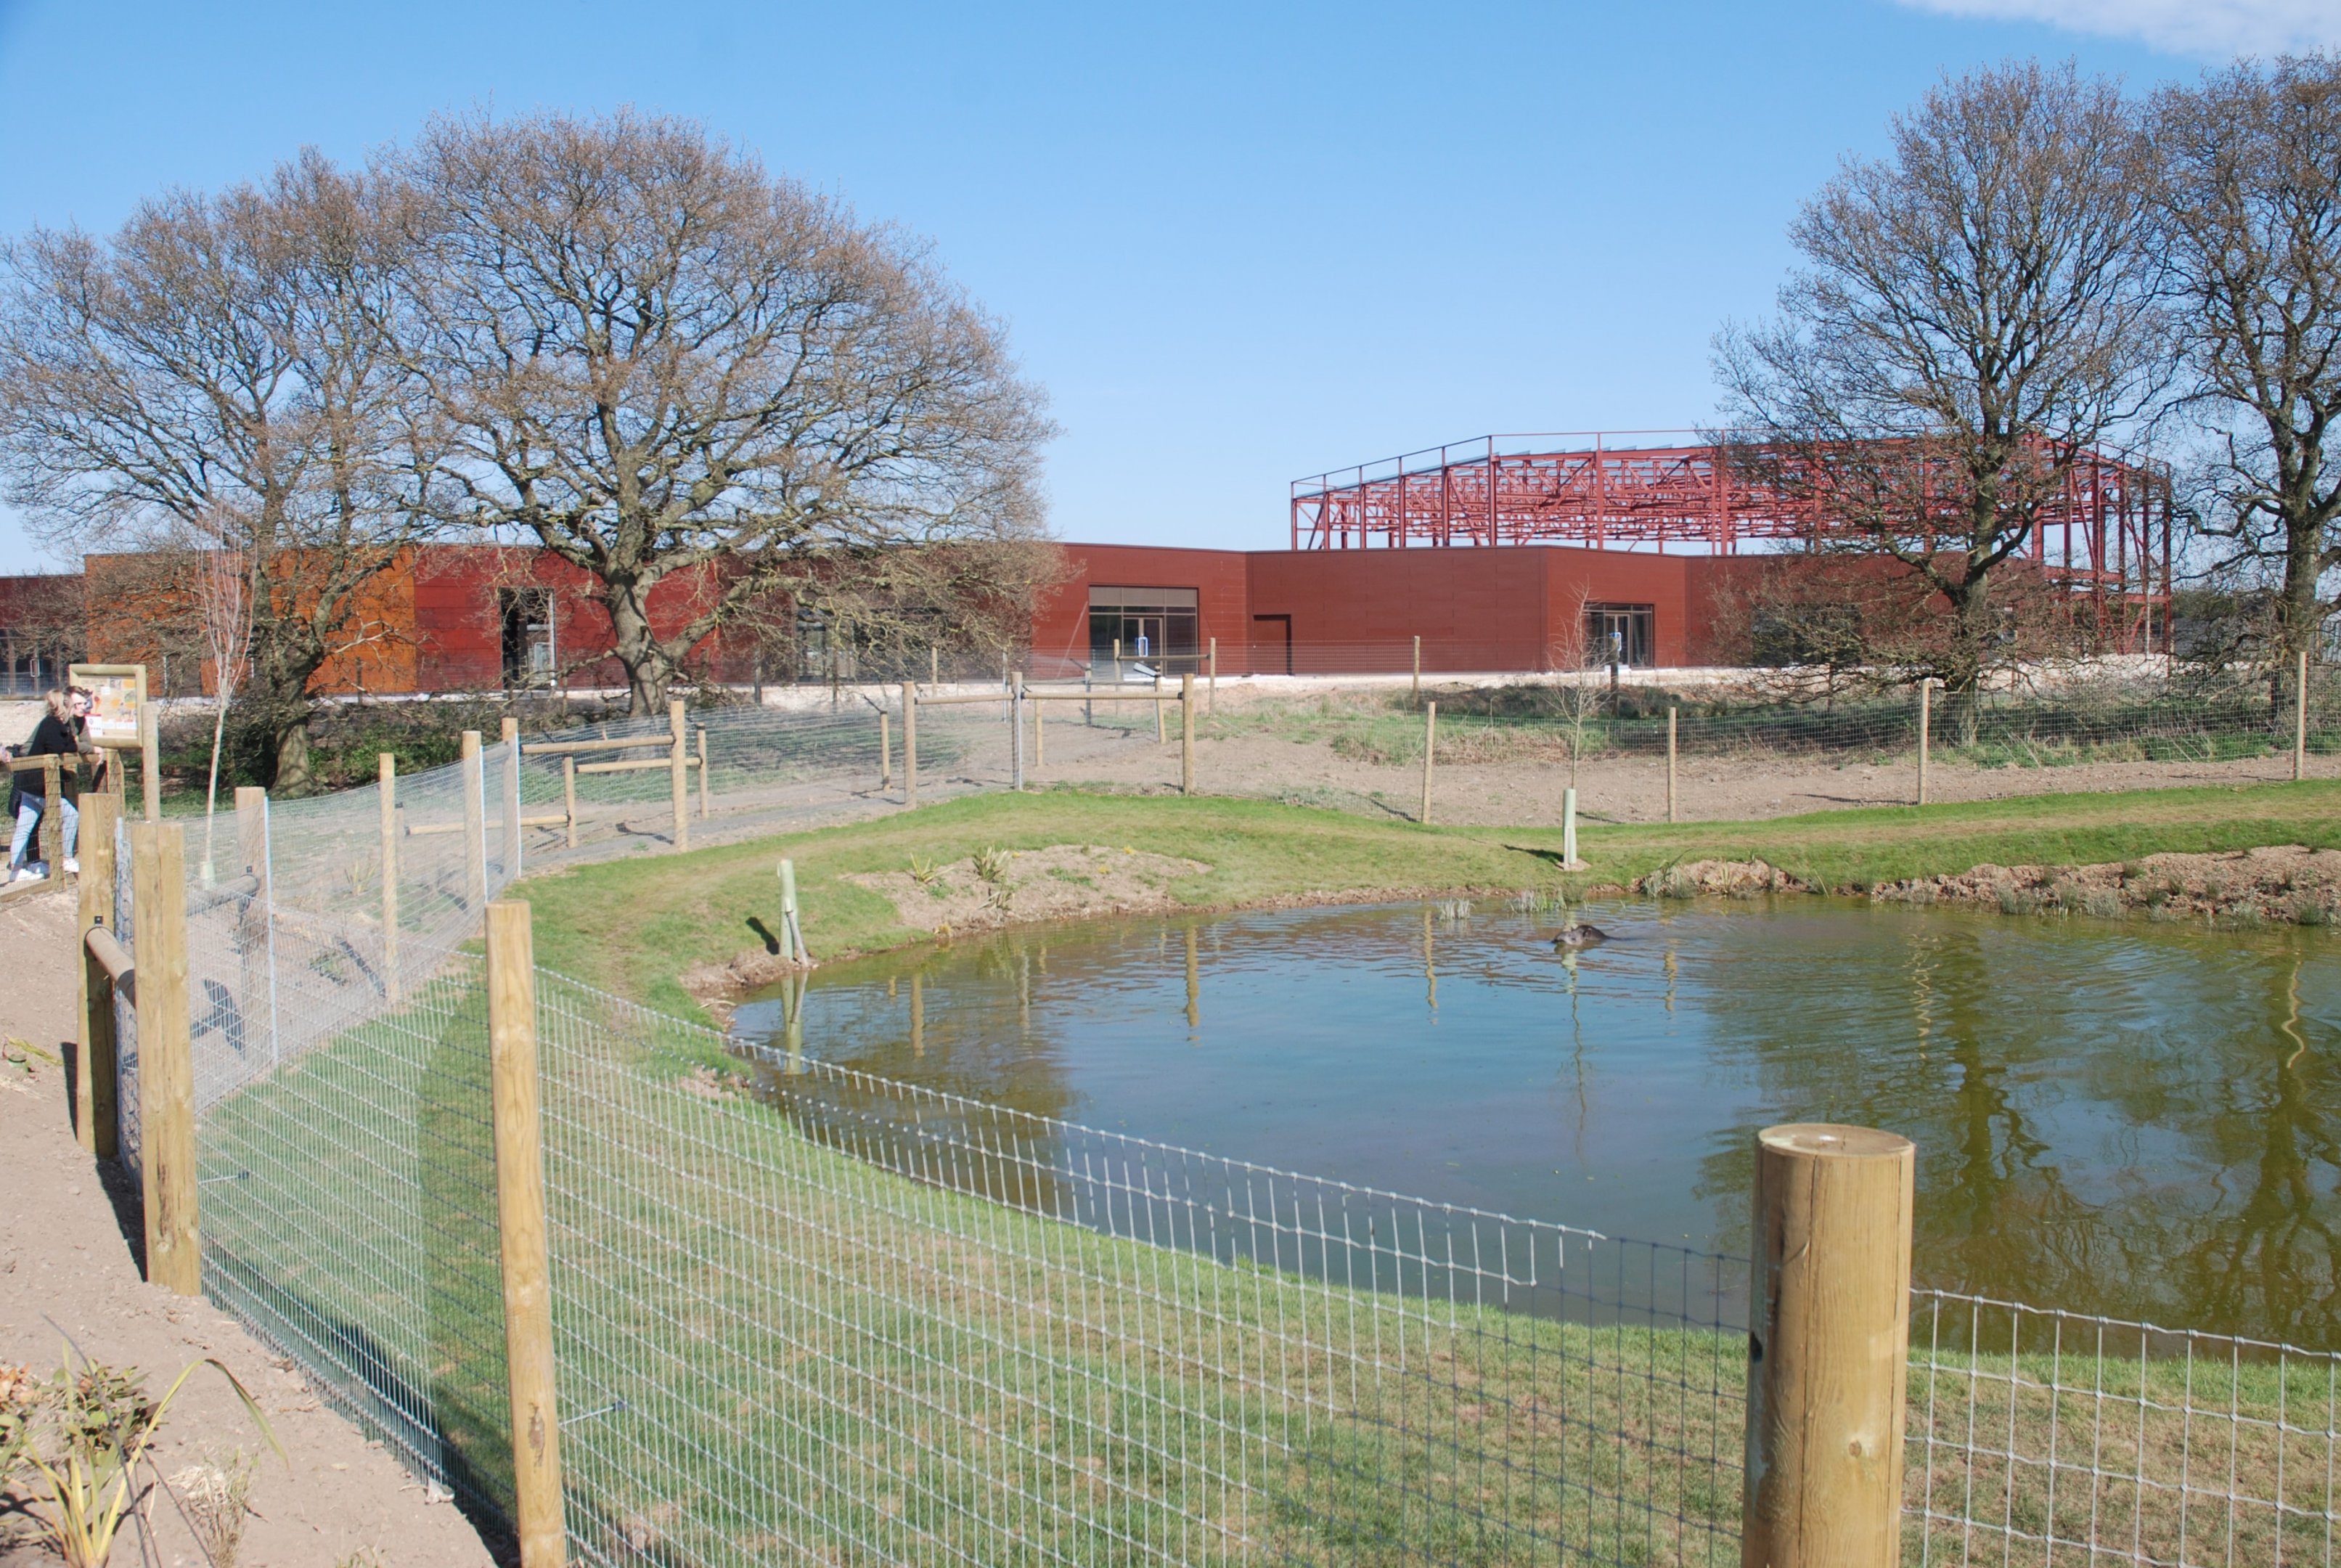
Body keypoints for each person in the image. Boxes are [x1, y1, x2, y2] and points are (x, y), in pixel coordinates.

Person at [9, 687, 97, 881]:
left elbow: (66, 745)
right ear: (64, 707)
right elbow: (58, 747)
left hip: (29, 783)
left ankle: (15, 870)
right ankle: (66, 858)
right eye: (74, 705)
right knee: (71, 815)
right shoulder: (53, 726)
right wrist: (74, 745)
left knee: (24, 826)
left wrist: (72, 744)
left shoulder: (54, 724)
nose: (78, 708)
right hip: (41, 785)